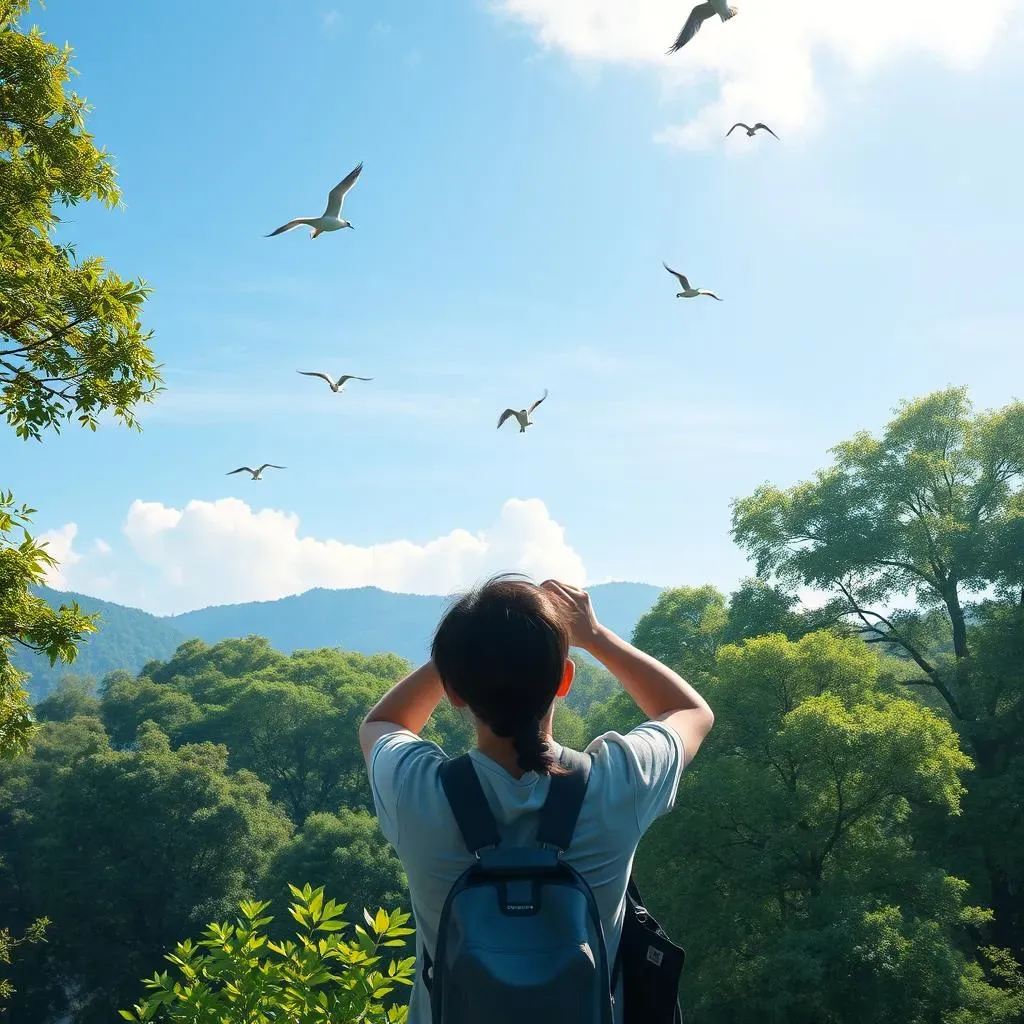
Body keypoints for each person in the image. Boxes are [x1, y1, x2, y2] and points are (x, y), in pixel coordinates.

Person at [359, 576, 715, 1023]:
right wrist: (594, 636)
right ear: (564, 679)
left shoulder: (415, 790)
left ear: (453, 690)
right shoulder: (617, 783)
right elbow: (690, 712)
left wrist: (463, 651)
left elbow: (382, 723)